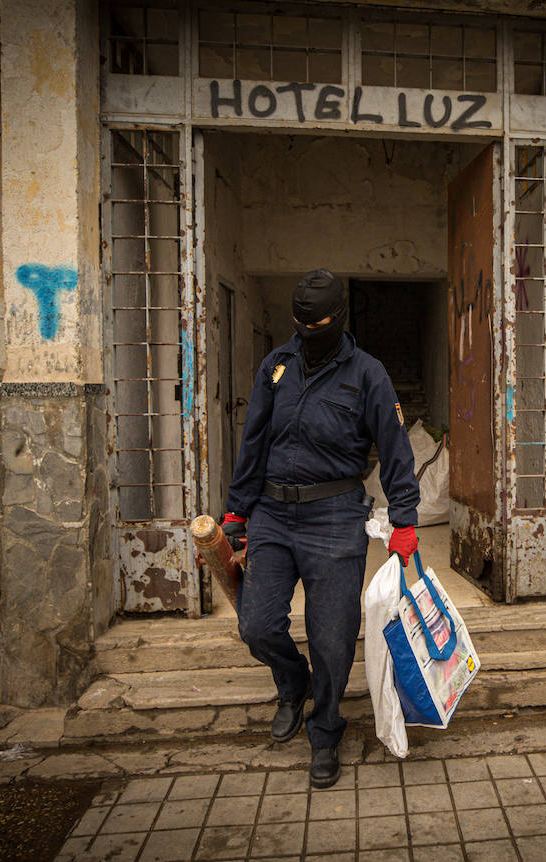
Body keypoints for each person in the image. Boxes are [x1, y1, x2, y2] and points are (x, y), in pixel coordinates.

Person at [220, 268, 420, 788]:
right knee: (257, 625)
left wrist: (406, 519)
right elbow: (254, 440)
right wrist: (237, 512)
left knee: (331, 640)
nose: (308, 332)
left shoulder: (368, 374)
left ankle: (325, 730)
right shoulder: (277, 366)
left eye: (320, 323)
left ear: (340, 320)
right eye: (300, 323)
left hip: (334, 517)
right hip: (271, 514)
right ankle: (292, 683)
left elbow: (396, 448)